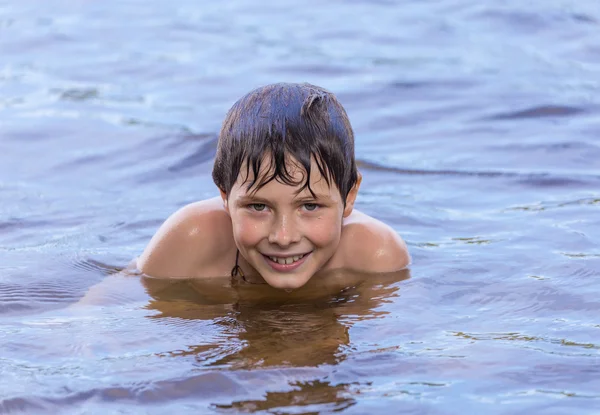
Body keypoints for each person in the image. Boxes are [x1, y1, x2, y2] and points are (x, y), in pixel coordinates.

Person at [137, 82, 410, 290]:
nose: (283, 237)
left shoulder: (376, 256)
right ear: (224, 195)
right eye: (258, 206)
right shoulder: (190, 240)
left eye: (310, 205)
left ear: (350, 195)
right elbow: (114, 313)